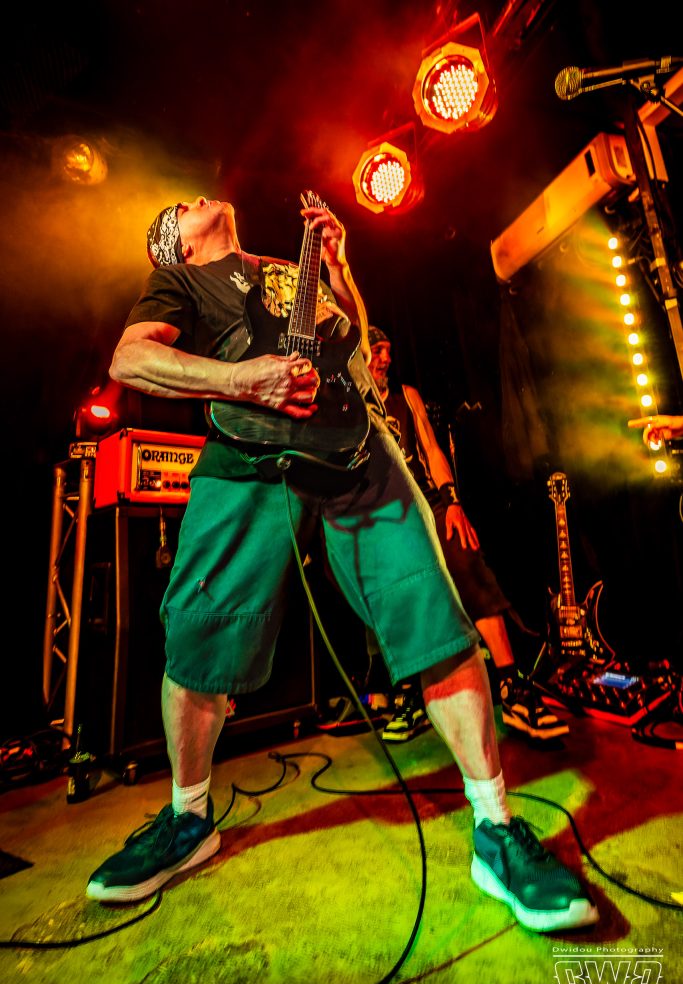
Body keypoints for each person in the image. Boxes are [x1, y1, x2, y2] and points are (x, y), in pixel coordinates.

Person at [85, 195, 597, 933]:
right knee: (200, 633)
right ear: (176, 244)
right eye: (182, 207)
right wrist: (242, 380)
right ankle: (188, 819)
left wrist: (340, 267)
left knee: (435, 615)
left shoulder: (282, 266)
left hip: (355, 446)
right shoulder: (180, 280)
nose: (197, 198)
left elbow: (351, 337)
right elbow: (130, 359)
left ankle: (494, 827)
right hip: (248, 454)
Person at [367, 326, 568, 745]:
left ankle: (511, 686)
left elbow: (431, 449)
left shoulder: (407, 396)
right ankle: (411, 693)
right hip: (386, 513)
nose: (385, 359)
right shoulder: (350, 403)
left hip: (429, 500)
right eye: (377, 351)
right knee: (398, 590)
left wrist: (452, 500)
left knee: (466, 556)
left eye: (388, 350)